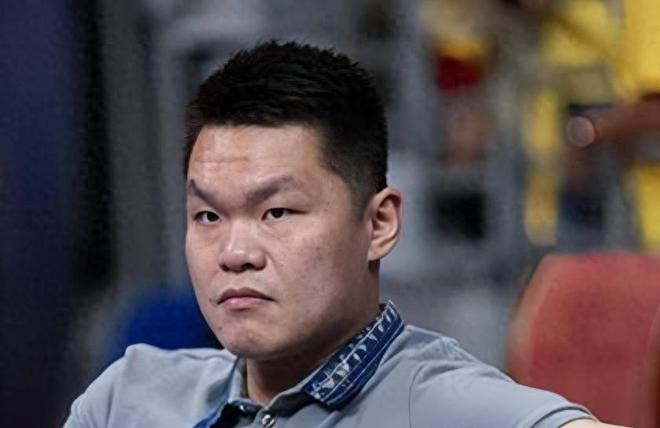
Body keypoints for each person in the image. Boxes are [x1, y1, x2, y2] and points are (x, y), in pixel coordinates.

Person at [63, 41, 625, 428]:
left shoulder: (443, 404)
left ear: (379, 224)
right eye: (208, 217)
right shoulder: (128, 398)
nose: (234, 254)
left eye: (277, 213)